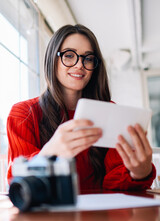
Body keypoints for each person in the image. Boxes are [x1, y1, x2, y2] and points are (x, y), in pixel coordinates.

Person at [7, 24, 156, 192]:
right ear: (52, 59)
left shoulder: (110, 112)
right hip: (48, 216)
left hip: (102, 215)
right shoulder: (23, 113)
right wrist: (50, 152)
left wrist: (140, 172)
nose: (80, 65)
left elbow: (114, 181)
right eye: (69, 55)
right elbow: (17, 180)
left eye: (88, 58)